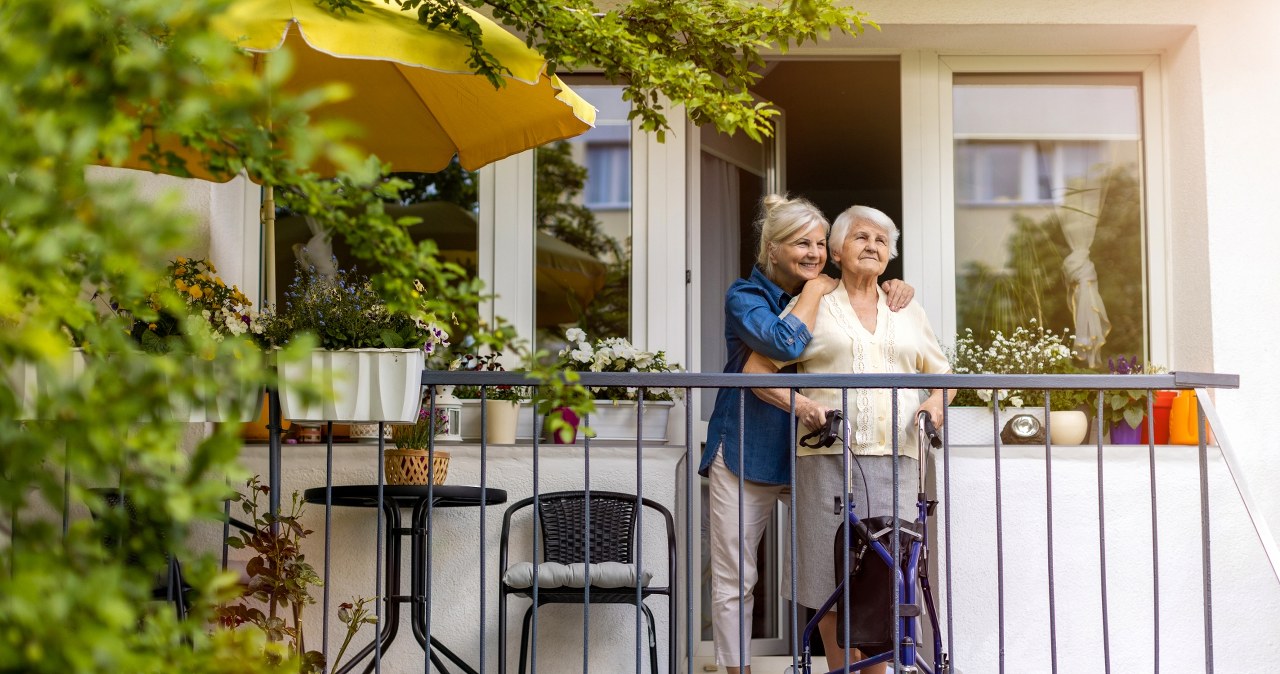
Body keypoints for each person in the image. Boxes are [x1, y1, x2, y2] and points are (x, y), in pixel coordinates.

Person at [699, 195, 914, 673]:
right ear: (772, 249)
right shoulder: (746, 296)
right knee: (737, 576)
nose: (814, 253)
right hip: (747, 450)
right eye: (802, 243)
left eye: (820, 243)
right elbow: (781, 343)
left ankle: (857, 666)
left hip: (817, 457)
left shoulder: (834, 293)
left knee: (837, 569)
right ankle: (738, 670)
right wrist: (815, 292)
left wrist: (893, 287)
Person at [743, 204, 953, 674]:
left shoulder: (907, 309)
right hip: (827, 459)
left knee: (883, 578)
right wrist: (804, 408)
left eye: (882, 240)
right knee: (825, 576)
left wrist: (934, 404)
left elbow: (943, 374)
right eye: (861, 237)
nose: (872, 245)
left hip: (898, 461)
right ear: (835, 250)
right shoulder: (816, 305)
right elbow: (756, 372)